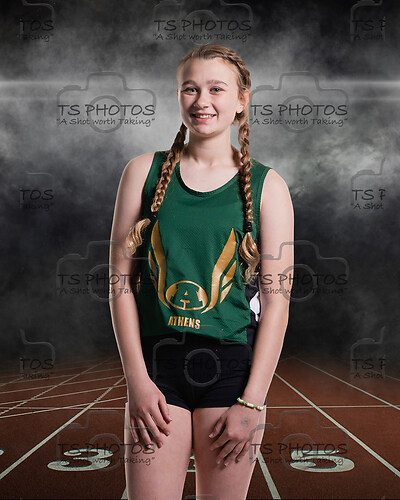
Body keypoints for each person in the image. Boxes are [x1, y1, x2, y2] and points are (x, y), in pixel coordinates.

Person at [109, 43, 294, 500]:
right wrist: (137, 381)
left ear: (242, 99)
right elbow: (120, 283)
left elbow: (276, 302)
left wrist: (253, 401)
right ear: (178, 95)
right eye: (190, 88)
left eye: (216, 89)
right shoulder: (142, 172)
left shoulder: (268, 186)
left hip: (231, 373)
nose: (201, 100)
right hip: (157, 370)